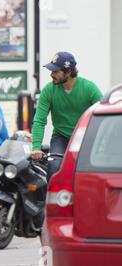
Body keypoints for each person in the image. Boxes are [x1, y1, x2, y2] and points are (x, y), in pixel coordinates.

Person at [31, 52, 102, 180]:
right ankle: (53, 200)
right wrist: (36, 147)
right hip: (61, 136)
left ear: (68, 72)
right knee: (54, 167)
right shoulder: (49, 90)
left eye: (55, 71)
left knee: (89, 171)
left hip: (86, 137)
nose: (51, 74)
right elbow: (39, 120)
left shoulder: (89, 88)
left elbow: (103, 115)